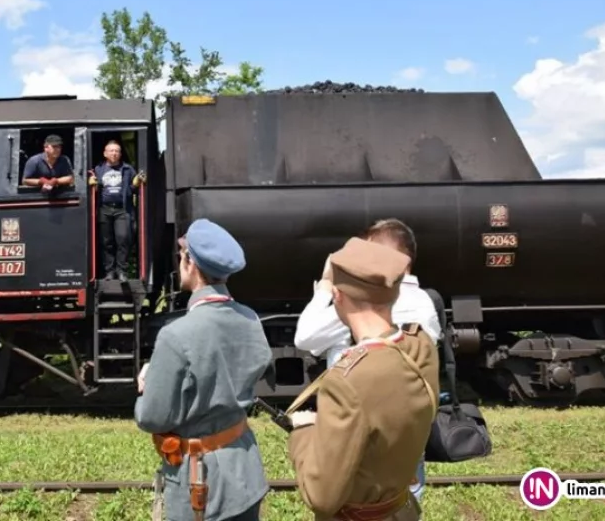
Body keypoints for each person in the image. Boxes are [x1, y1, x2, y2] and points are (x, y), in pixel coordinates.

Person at [285, 237, 440, 521]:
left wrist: (303, 430)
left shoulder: (347, 382)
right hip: (402, 510)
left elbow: (321, 498)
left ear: (338, 296)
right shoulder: (421, 345)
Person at [135, 218, 273, 521]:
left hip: (201, 484)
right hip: (246, 471)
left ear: (191, 263)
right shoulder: (250, 319)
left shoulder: (176, 335)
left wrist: (147, 386)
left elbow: (153, 417)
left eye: (180, 256)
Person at [88, 140, 146, 281]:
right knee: (106, 242)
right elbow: (94, 189)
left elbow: (133, 189)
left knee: (123, 239)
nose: (114, 153)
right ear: (105, 153)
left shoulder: (128, 169)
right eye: (111, 151)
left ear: (120, 154)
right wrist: (91, 185)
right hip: (104, 209)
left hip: (122, 209)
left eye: (117, 151)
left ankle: (122, 271)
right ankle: (109, 271)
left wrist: (137, 183)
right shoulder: (98, 169)